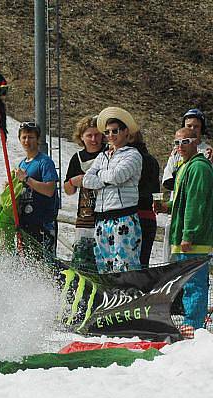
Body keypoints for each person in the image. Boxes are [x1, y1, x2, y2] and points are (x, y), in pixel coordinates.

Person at [155, 127, 213, 338]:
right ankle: (190, 326)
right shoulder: (184, 166)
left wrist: (189, 234)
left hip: (194, 239)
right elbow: (182, 202)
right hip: (182, 237)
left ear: (196, 141)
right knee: (186, 284)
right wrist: (165, 208)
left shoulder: (199, 168)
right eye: (176, 143)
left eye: (185, 141)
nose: (180, 147)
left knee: (195, 283)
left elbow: (196, 205)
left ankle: (194, 329)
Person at [69, 107, 142, 273]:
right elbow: (87, 179)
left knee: (125, 266)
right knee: (104, 267)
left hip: (123, 217)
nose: (110, 136)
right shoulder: (103, 156)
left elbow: (118, 176)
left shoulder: (133, 154)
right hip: (102, 220)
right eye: (107, 132)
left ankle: (128, 295)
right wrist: (106, 179)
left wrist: (99, 176)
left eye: (115, 131)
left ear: (125, 132)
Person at [64, 116, 104, 270]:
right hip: (85, 216)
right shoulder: (77, 158)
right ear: (81, 137)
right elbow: (68, 190)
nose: (94, 139)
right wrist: (74, 181)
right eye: (89, 135)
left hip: (104, 215)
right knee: (83, 261)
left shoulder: (107, 153)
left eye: (97, 134)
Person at [13, 122, 59, 257]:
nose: (27, 141)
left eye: (31, 137)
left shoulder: (44, 162)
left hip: (43, 222)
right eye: (24, 137)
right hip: (26, 223)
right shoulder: (22, 163)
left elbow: (50, 190)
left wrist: (27, 179)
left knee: (44, 263)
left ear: (37, 139)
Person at [162, 109, 212, 191]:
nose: (192, 129)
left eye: (196, 127)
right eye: (189, 126)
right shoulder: (177, 149)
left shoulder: (208, 151)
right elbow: (168, 178)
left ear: (201, 128)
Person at [131, 131, 160, 267]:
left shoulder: (129, 159)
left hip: (132, 216)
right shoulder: (152, 160)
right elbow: (156, 190)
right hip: (149, 216)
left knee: (129, 266)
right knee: (143, 264)